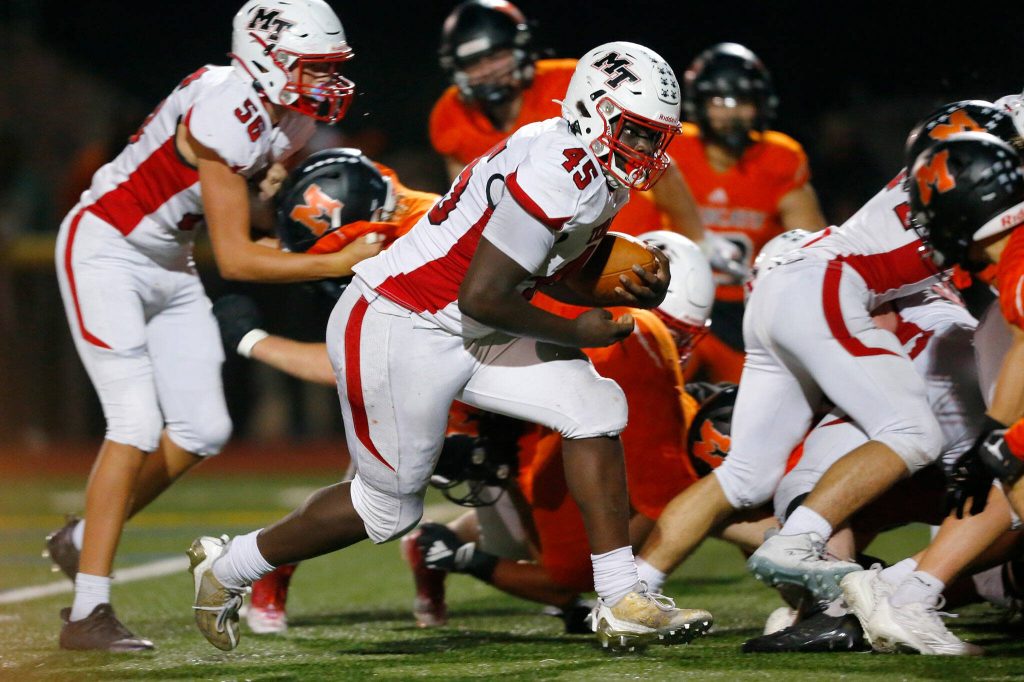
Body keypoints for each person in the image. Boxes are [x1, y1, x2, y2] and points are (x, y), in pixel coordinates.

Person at [187, 41, 712, 653]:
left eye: (655, 136)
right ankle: (229, 567)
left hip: (460, 321)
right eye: (637, 132)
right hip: (399, 321)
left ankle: (620, 597)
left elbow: (554, 263)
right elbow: (483, 297)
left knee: (594, 405)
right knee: (387, 512)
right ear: (595, 111)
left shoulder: (589, 166)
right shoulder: (556, 169)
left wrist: (630, 284)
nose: (648, 151)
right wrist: (581, 328)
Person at [49, 0, 372, 652]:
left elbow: (248, 194)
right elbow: (238, 256)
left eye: (328, 69)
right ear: (266, 60)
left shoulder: (290, 115)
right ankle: (88, 610)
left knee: (204, 427)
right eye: (312, 69)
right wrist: (341, 257)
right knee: (136, 426)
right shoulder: (225, 107)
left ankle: (82, 538)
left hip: (170, 258)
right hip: (106, 250)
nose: (324, 85)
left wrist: (281, 186)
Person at [637, 101, 1023, 609]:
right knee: (914, 432)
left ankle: (630, 588)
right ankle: (800, 540)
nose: (1004, 167)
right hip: (824, 284)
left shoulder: (942, 175)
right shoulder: (967, 186)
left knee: (744, 475)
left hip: (782, 289)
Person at [430, 0, 706, 244]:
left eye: (495, 56)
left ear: (520, 48)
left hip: (619, 236)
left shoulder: (573, 83)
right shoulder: (450, 115)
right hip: (534, 252)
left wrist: (695, 243)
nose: (487, 71)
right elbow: (467, 199)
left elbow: (650, 162)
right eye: (473, 63)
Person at [673, 42, 827, 383]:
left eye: (741, 101)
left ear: (760, 104)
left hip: (747, 312)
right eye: (719, 100)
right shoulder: (674, 150)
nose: (731, 113)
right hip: (675, 303)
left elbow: (814, 250)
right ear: (699, 101)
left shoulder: (779, 160)